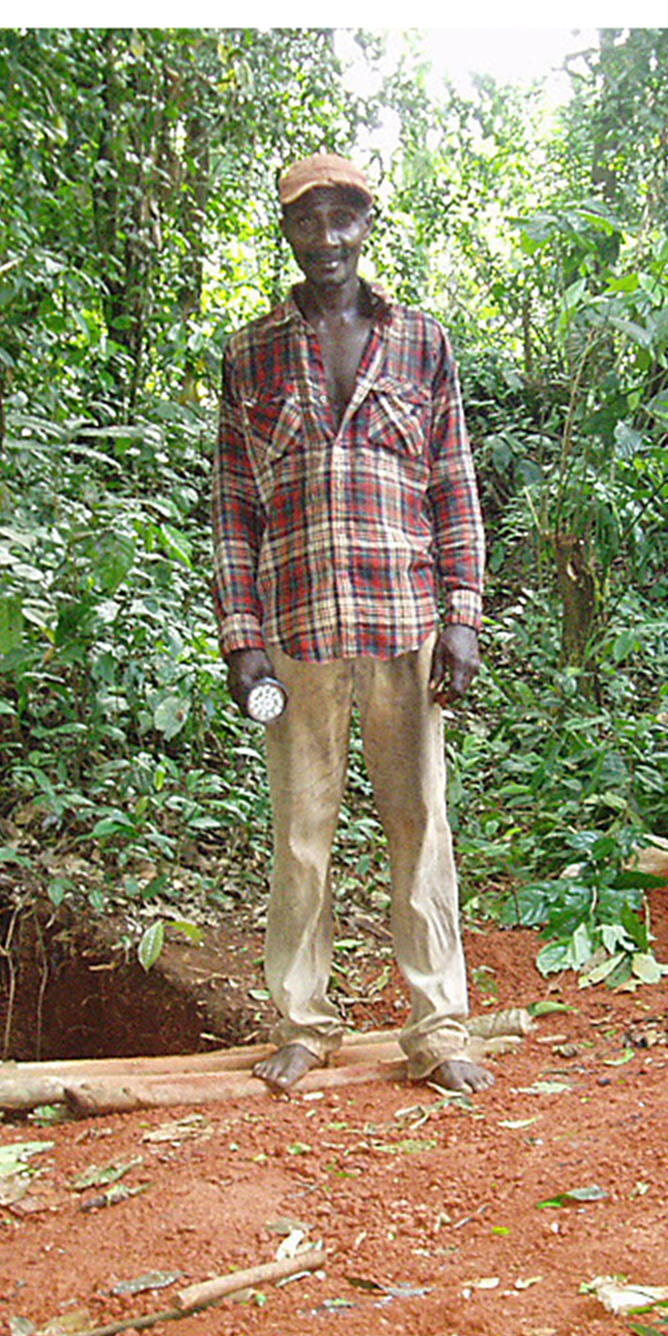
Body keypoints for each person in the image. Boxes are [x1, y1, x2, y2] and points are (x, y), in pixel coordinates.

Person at [213, 155, 493, 1098]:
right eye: (307, 220)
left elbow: (453, 481)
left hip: (404, 623)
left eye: (343, 218)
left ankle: (439, 1027)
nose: (325, 238)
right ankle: (302, 1023)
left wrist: (463, 616)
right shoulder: (251, 353)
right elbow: (230, 508)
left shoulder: (421, 341)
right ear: (286, 230)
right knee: (301, 832)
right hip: (296, 628)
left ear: (367, 222)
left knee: (421, 826)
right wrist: (239, 635)